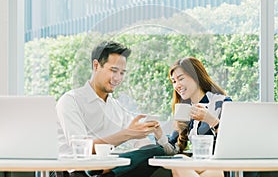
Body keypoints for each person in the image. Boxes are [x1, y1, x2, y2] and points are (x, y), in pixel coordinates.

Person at [56, 41, 168, 177]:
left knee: (156, 153)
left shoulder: (116, 107)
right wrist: (128, 133)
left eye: (122, 73)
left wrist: (154, 137)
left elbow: (142, 145)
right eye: (114, 71)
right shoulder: (71, 100)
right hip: (76, 172)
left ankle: (106, 172)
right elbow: (82, 148)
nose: (118, 78)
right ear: (96, 65)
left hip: (106, 170)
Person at [154, 57, 232, 177]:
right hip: (199, 166)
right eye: (174, 81)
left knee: (211, 170)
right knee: (178, 160)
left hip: (221, 166)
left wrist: (210, 120)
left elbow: (232, 142)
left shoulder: (221, 102)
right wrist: (159, 134)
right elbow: (172, 150)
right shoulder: (185, 109)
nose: (177, 85)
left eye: (180, 79)